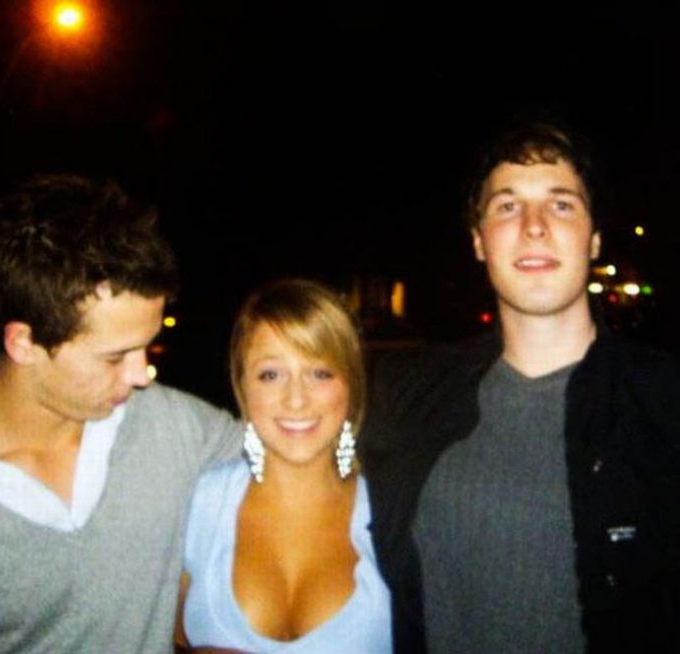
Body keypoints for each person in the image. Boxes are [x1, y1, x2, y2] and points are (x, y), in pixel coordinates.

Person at [361, 122, 680, 653]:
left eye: (561, 205)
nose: (534, 226)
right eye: (508, 206)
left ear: (594, 238)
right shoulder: (407, 396)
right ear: (478, 241)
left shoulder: (663, 405)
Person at [0, 173, 242, 652]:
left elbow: (294, 460)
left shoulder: (172, 426)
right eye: (115, 356)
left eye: (146, 346)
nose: (142, 374)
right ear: (23, 343)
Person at [175, 278, 392, 653]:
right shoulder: (199, 503)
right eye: (271, 375)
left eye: (320, 373)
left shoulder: (393, 512)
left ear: (351, 383)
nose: (296, 400)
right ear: (243, 386)